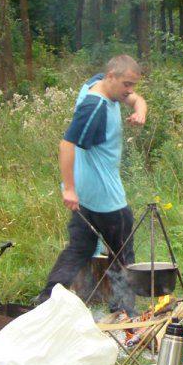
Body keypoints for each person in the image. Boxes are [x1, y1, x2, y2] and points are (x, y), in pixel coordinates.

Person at [35, 55, 147, 310]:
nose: (130, 91)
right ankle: (124, 311)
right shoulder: (94, 108)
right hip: (105, 198)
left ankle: (47, 301)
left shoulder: (96, 84)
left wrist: (140, 110)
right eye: (127, 84)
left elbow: (135, 99)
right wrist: (69, 188)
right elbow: (66, 145)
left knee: (79, 249)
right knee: (122, 255)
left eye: (133, 85)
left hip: (86, 196)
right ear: (111, 77)